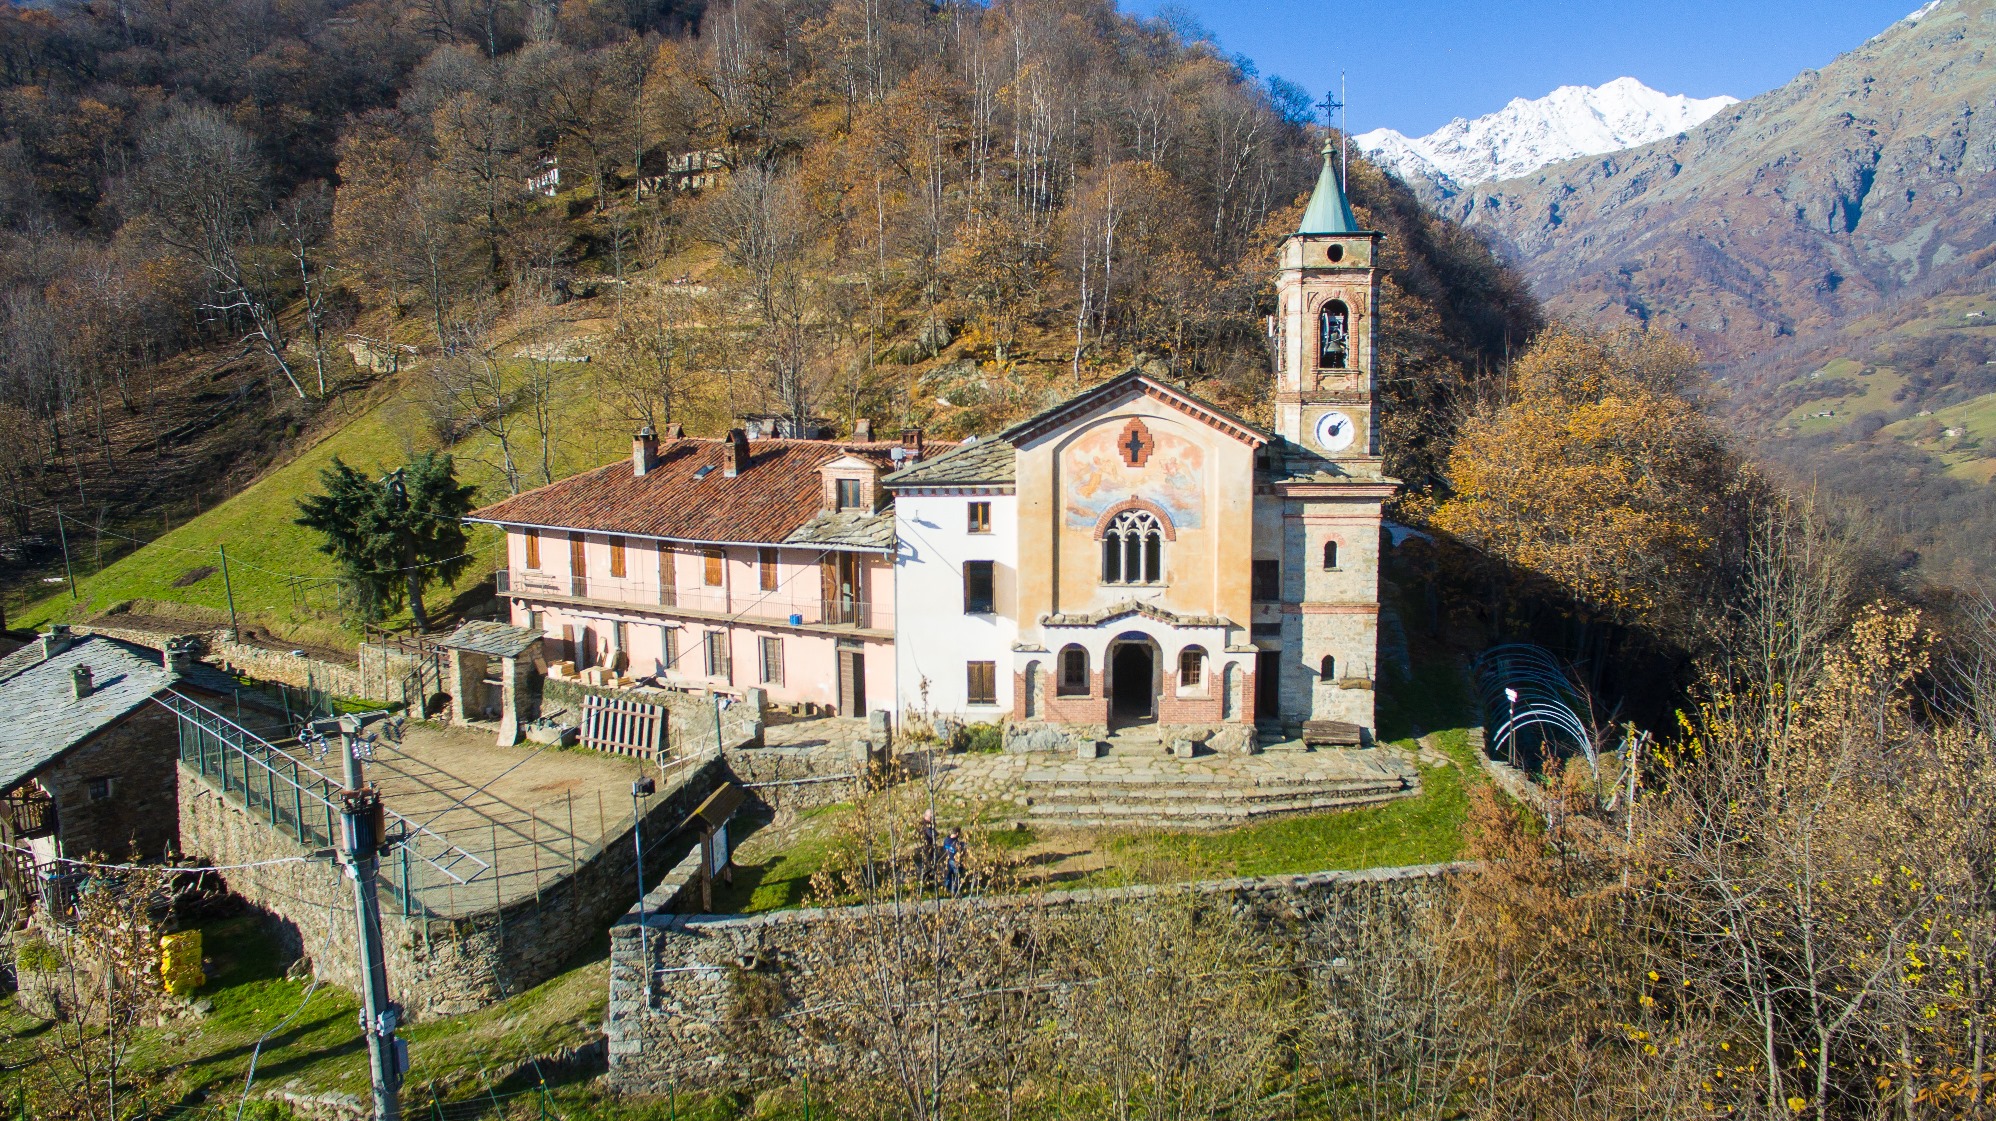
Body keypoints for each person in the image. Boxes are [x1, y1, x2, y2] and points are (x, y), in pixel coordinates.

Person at [942, 826, 965, 895]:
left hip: (947, 860)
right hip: (954, 861)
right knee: (957, 876)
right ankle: (954, 891)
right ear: (957, 833)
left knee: (949, 875)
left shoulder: (946, 840)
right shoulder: (956, 843)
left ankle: (947, 886)